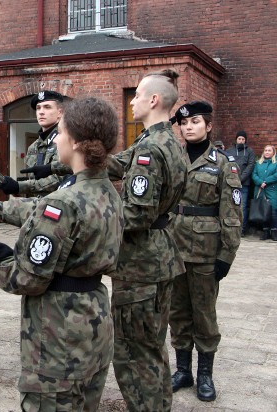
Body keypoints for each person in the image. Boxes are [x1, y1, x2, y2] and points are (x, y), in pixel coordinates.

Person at [0, 97, 124, 411]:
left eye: (62, 132)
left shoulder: (63, 203)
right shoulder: (105, 189)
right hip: (93, 324)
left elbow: (27, 278)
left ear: (76, 142)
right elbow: (44, 208)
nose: (57, 140)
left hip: (58, 337)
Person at [107, 69, 187, 412]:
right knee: (153, 350)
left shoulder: (150, 150)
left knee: (132, 354)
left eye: (137, 95)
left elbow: (137, 215)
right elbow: (117, 165)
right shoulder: (161, 141)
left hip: (141, 265)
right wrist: (79, 155)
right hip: (159, 258)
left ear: (154, 100)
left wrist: (96, 220)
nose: (133, 101)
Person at [168, 101, 242, 402]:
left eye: (195, 122)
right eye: (184, 123)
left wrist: (226, 256)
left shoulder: (223, 163)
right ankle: (183, 370)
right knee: (177, 312)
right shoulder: (172, 159)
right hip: (174, 249)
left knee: (204, 315)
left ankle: (205, 375)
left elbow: (232, 214)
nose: (188, 127)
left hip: (205, 253)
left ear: (208, 126)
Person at [0, 90, 69, 197]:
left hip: (59, 205)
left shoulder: (66, 141)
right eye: (38, 108)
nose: (41, 112)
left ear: (60, 112)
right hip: (38, 206)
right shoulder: (33, 147)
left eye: (47, 107)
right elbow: (33, 180)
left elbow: (60, 179)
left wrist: (19, 186)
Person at [226, 130, 255, 236]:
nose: (241, 141)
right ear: (236, 139)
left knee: (242, 207)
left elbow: (250, 165)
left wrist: (241, 178)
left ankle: (242, 229)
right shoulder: (229, 151)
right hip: (230, 183)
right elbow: (227, 165)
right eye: (239, 139)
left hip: (244, 184)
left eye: (243, 139)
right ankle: (231, 228)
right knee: (230, 206)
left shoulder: (250, 151)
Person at [251, 144, 277, 240]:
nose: (267, 152)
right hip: (260, 189)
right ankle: (265, 231)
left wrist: (266, 181)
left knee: (273, 210)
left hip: (272, 189)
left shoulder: (276, 163)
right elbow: (254, 174)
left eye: (269, 150)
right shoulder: (258, 163)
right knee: (263, 210)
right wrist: (260, 182)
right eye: (265, 150)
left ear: (273, 152)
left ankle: (274, 231)